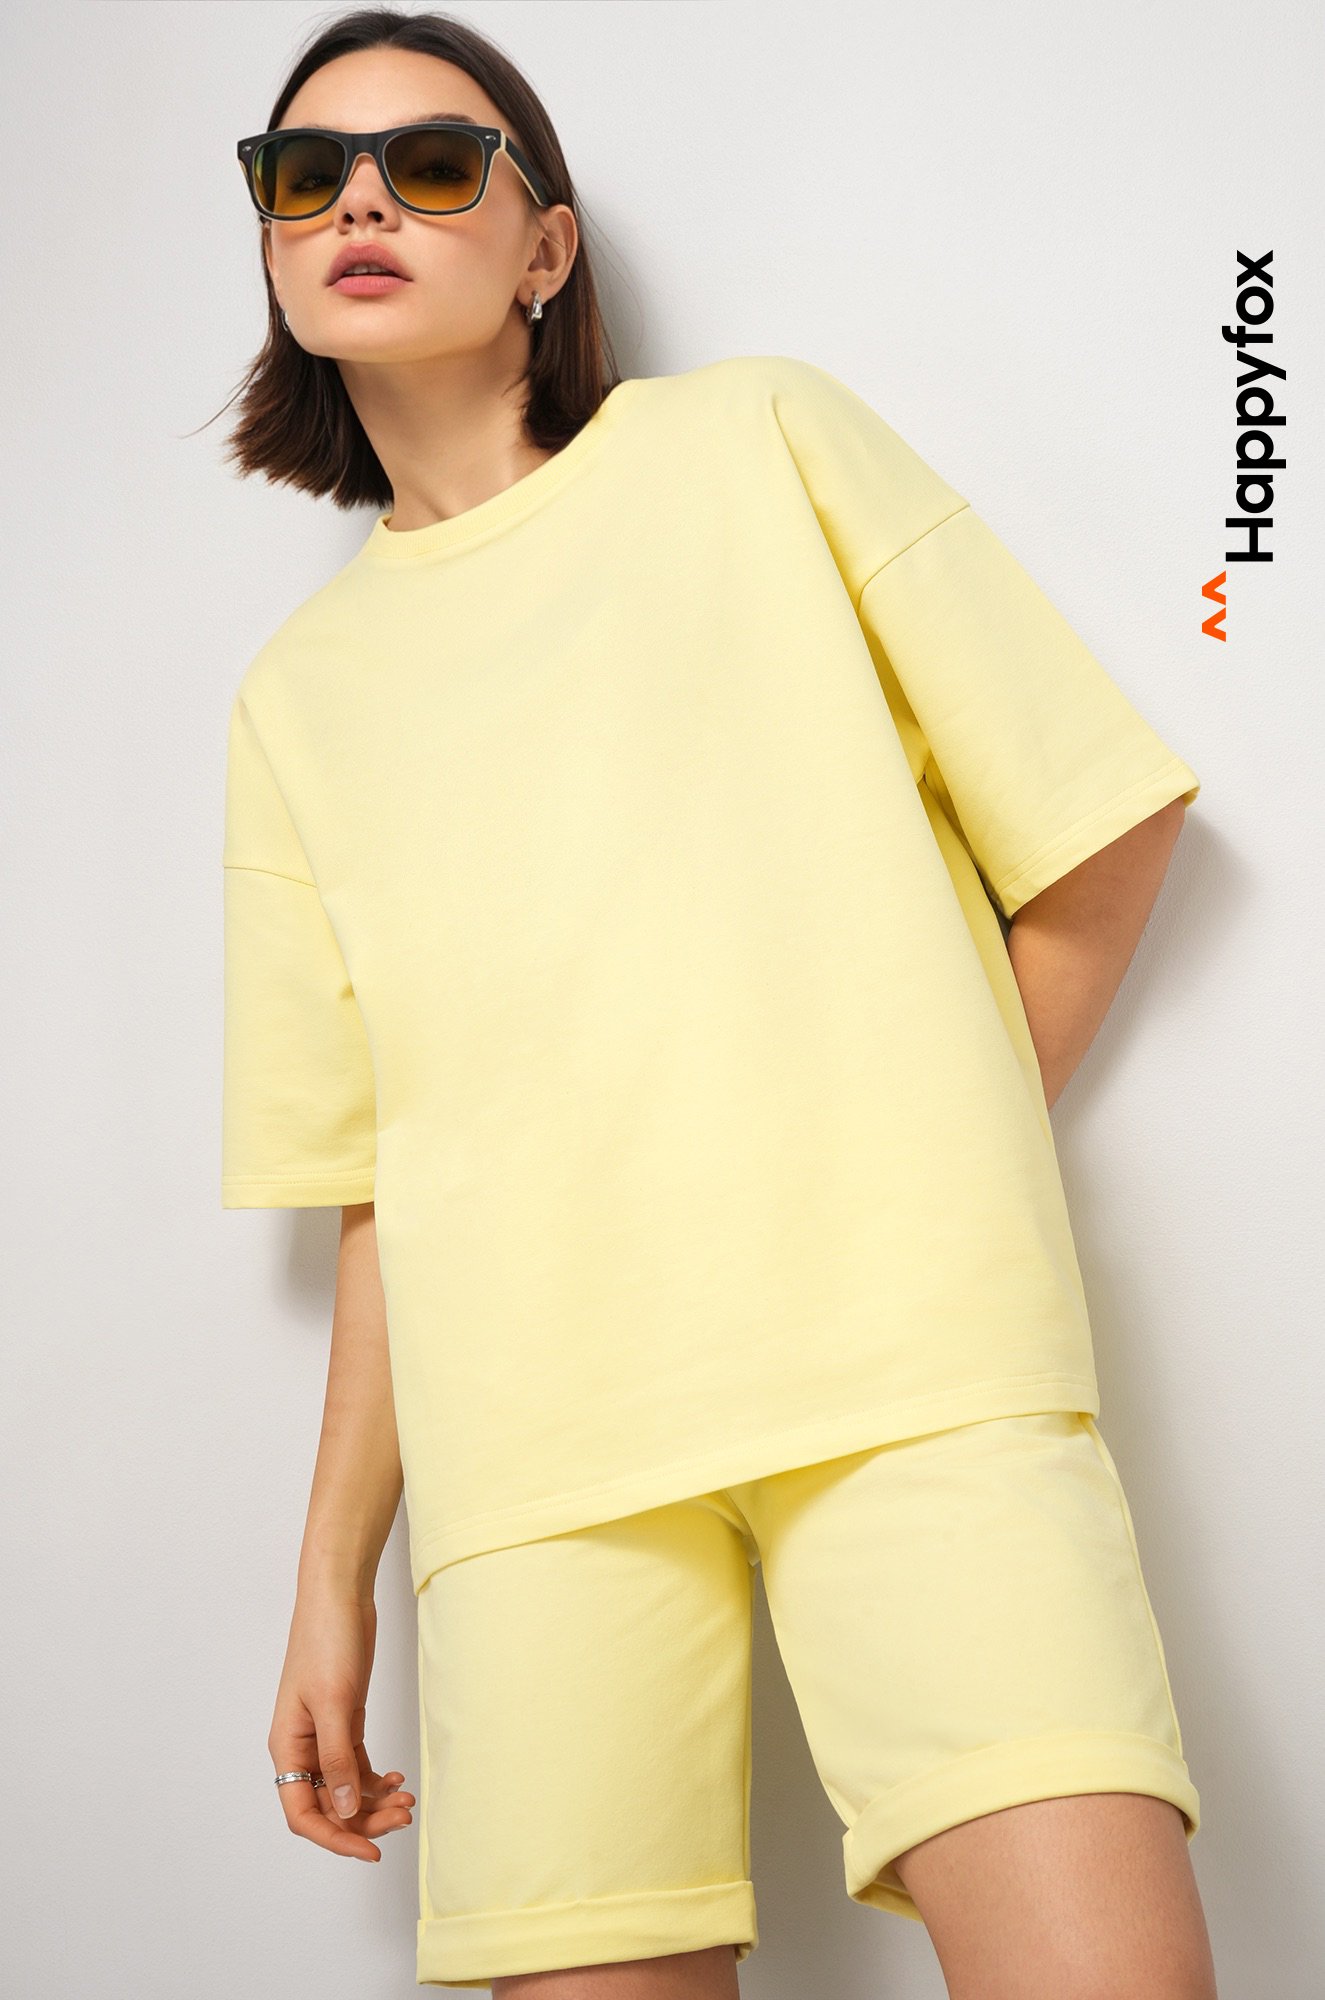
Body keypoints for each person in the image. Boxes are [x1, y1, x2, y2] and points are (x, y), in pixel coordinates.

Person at [218, 9, 1218, 1997]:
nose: (358, 206)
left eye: (432, 164)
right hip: (530, 1459)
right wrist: (330, 1583)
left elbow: (1098, 831)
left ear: (545, 248)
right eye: (305, 174)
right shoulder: (295, 700)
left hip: (908, 1368)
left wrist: (922, 1166)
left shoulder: (757, 440)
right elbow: (386, 1179)